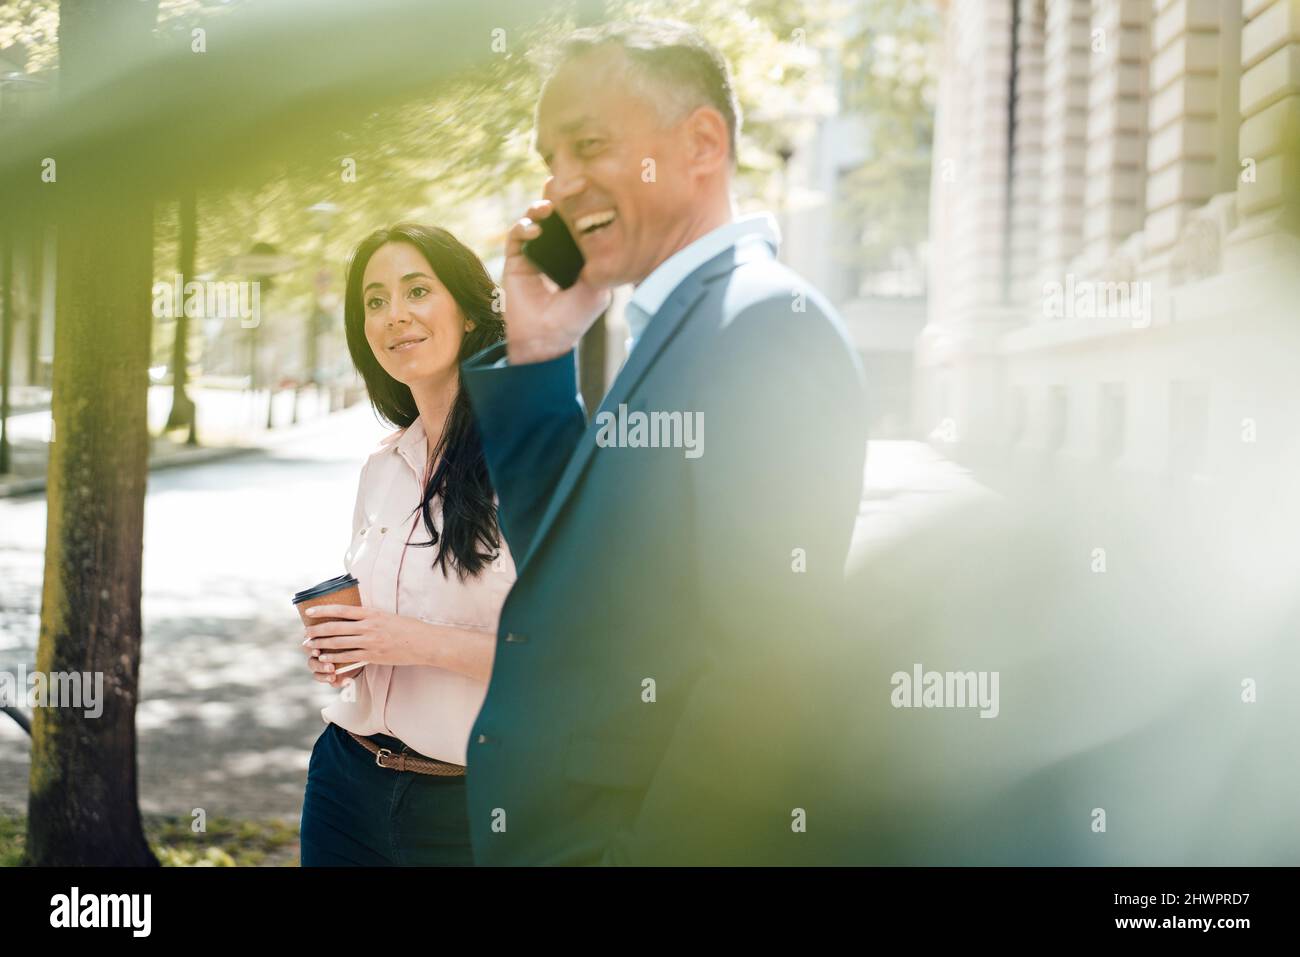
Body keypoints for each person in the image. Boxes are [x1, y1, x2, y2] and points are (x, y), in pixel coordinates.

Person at [459, 19, 870, 865]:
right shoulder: (678, 324)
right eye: (550, 159)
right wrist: (541, 350)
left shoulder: (762, 327)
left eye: (589, 145)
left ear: (701, 144)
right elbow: (574, 578)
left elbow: (766, 675)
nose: (560, 183)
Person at [298, 223, 514, 866]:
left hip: (470, 808)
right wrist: (345, 650)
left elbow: (572, 660)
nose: (394, 314)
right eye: (375, 300)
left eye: (418, 290)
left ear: (470, 312)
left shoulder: (527, 463)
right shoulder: (382, 466)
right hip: (345, 785)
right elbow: (379, 625)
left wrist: (410, 641)